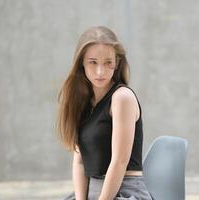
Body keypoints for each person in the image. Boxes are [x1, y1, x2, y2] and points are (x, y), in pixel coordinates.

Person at [56, 26, 153, 200]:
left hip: (125, 189)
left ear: (117, 63)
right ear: (82, 64)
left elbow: (119, 161)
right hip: (92, 190)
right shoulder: (83, 102)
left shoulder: (122, 98)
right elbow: (79, 161)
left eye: (108, 62)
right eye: (93, 62)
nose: (100, 71)